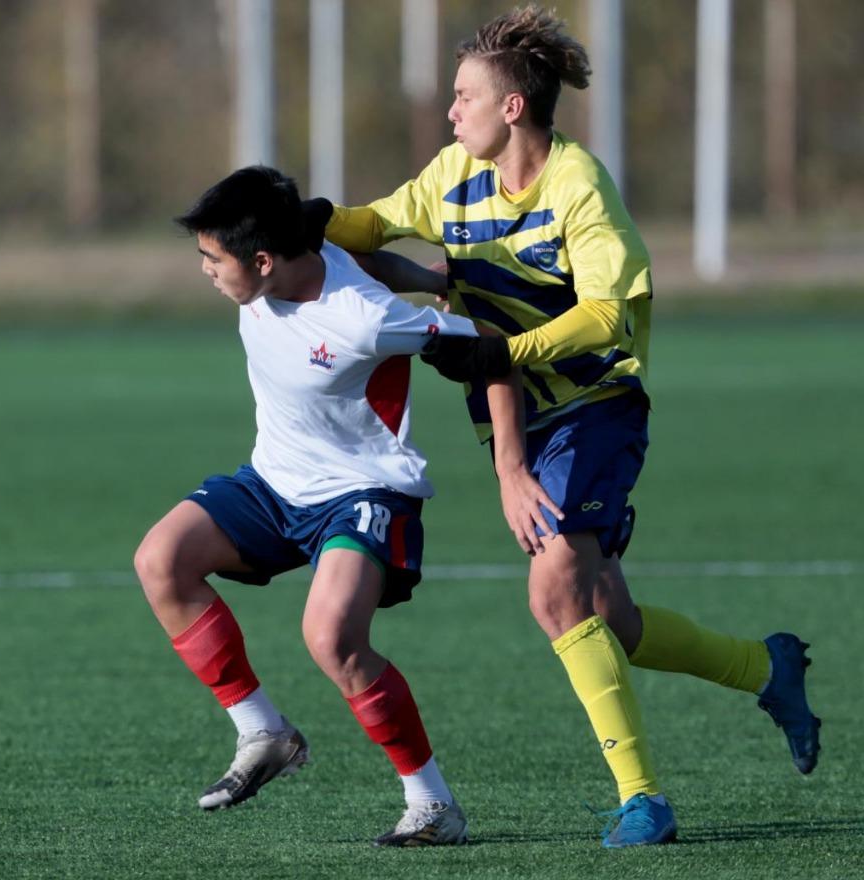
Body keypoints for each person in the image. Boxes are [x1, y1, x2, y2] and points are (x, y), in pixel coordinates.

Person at [306, 4, 820, 848]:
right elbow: (373, 224)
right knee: (607, 615)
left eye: (464, 96)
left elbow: (608, 313)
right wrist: (304, 217)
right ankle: (766, 667)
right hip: (516, 418)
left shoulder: (580, 185)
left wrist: (507, 352)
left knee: (553, 592)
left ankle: (644, 800)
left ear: (512, 107)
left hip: (595, 405)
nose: (450, 111)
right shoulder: (454, 174)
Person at [133, 165, 479, 847]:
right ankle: (263, 731)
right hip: (272, 483)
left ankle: (433, 804)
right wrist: (430, 276)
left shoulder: (364, 319)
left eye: (213, 258)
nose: (205, 270)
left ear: (263, 261)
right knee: (160, 561)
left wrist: (465, 311)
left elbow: (478, 346)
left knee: (332, 640)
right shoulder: (288, 257)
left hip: (363, 491)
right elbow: (360, 251)